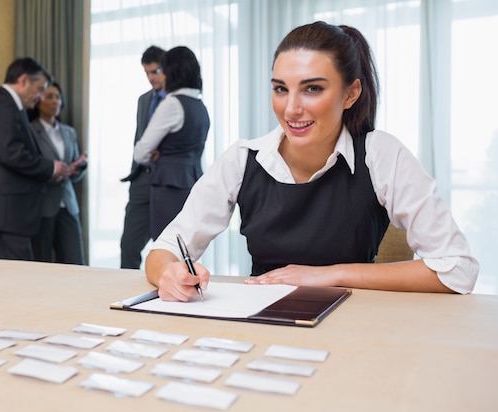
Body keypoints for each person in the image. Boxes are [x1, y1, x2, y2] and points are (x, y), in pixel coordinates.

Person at [144, 21, 479, 301]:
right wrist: (168, 272)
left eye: (312, 89)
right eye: (280, 89)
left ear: (351, 93)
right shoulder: (243, 159)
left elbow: (457, 269)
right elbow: (163, 251)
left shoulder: (380, 153)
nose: (291, 109)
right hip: (262, 324)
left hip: (355, 326)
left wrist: (328, 276)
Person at [0, 57, 74, 260]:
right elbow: (11, 153)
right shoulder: (2, 105)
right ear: (23, 80)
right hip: (5, 214)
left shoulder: (8, 106)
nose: (41, 96)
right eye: (40, 88)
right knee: (12, 282)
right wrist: (50, 168)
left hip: (7, 214)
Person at [133, 45, 210, 240]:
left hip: (169, 187)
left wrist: (156, 153)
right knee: (185, 249)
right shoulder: (199, 105)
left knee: (166, 250)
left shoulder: (172, 104)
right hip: (192, 183)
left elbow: (141, 152)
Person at [28, 81, 88, 265]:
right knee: (42, 260)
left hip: (68, 203)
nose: (55, 101)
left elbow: (75, 170)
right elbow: (29, 165)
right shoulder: (30, 130)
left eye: (58, 97)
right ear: (38, 101)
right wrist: (52, 173)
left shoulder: (69, 132)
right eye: (49, 96)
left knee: (75, 259)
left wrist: (78, 167)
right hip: (43, 203)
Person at [120, 45, 166, 269]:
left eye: (155, 71)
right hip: (140, 181)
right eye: (146, 72)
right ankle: (125, 298)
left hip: (167, 184)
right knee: (128, 245)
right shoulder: (143, 100)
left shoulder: (180, 100)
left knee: (167, 249)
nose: (150, 77)